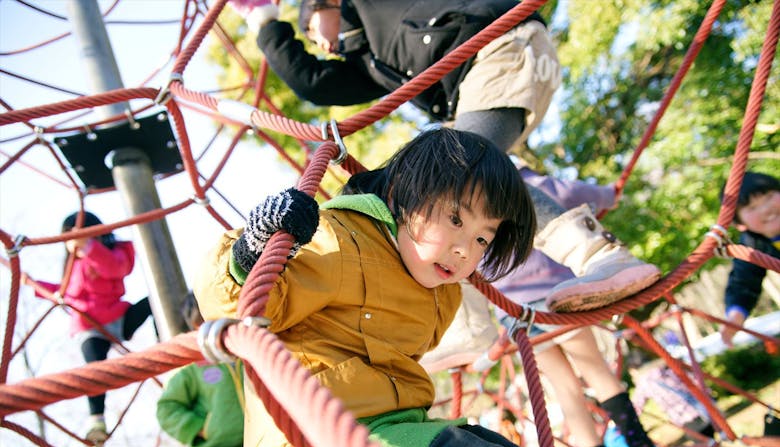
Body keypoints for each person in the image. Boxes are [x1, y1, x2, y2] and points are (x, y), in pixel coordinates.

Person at [227, 0, 662, 312]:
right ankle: (468, 320)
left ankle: (600, 257)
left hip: (500, 44)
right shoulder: (375, 65)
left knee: (463, 170)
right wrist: (264, 19)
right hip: (486, 74)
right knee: (450, 187)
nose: (318, 43)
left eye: (309, 28)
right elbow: (313, 83)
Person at [195, 128, 543, 447]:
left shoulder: (443, 294)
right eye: (456, 218)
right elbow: (237, 307)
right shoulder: (340, 239)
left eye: (483, 239)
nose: (465, 249)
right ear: (405, 192)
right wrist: (250, 253)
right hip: (317, 443)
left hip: (390, 432)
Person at [420, 168, 683, 447]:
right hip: (556, 298)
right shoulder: (529, 182)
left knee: (566, 391)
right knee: (599, 375)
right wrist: (609, 192)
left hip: (518, 316)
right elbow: (581, 194)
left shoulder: (468, 205)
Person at [34, 211, 154, 446]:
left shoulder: (116, 251)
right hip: (90, 325)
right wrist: (34, 285)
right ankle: (96, 419)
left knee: (155, 301)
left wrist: (88, 247)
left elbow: (115, 268)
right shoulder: (73, 266)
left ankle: (168, 338)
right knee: (96, 369)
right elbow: (67, 291)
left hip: (118, 315)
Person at [156, 292, 263, 447]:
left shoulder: (246, 352)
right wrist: (199, 427)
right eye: (203, 325)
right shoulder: (194, 368)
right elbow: (167, 408)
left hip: (259, 443)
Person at [719, 171, 780, 346]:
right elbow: (744, 282)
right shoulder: (752, 246)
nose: (766, 208)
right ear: (739, 224)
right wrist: (736, 315)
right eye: (752, 208)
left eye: (769, 197)